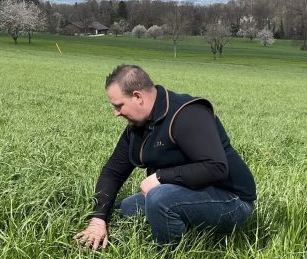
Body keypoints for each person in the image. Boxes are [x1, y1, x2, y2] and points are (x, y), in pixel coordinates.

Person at [75, 64, 257, 249]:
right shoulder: (139, 126)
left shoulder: (188, 114)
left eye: (119, 105)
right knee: (124, 211)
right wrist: (98, 219)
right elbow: (113, 172)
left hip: (232, 200)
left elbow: (216, 167)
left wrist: (161, 177)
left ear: (138, 97)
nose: (116, 113)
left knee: (159, 199)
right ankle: (181, 222)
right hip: (189, 191)